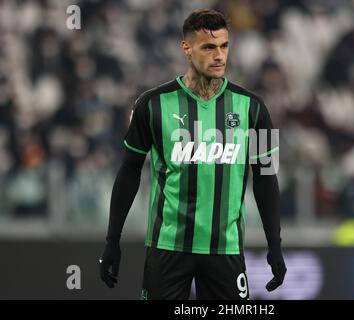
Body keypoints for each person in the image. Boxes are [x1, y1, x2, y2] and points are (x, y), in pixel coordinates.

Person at [99, 8, 286, 300]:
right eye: (209, 47)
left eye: (224, 46)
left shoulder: (254, 107)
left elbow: (265, 177)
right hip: (168, 248)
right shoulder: (152, 104)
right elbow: (129, 171)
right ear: (186, 48)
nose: (219, 55)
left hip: (226, 250)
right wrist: (113, 240)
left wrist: (274, 244)